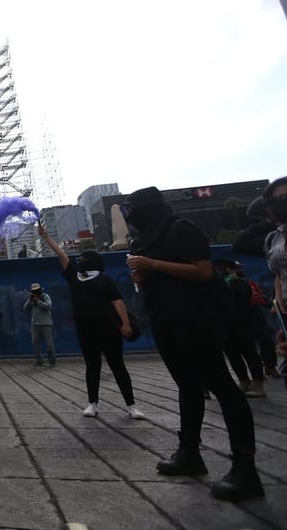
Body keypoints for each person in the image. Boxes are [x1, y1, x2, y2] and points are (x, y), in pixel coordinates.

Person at [123, 186, 263, 501]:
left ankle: (245, 467)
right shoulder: (145, 240)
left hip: (194, 318)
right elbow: (151, 276)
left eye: (133, 210)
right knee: (187, 385)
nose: (131, 218)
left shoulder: (181, 229)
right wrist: (142, 276)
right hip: (163, 319)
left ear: (149, 208)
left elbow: (202, 270)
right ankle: (189, 451)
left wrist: (152, 266)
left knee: (221, 385)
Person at [39, 224, 146, 419]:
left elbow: (117, 301)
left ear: (93, 262)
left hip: (109, 330)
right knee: (92, 366)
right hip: (85, 331)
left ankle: (131, 405)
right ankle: (92, 404)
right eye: (79, 259)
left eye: (83, 259)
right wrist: (47, 238)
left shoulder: (104, 280)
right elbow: (62, 255)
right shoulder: (74, 277)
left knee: (118, 366)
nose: (79, 261)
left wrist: (125, 323)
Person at [212, 259, 266, 398]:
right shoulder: (215, 284)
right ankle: (244, 380)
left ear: (231, 269)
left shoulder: (238, 282)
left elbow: (246, 303)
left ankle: (257, 382)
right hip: (226, 326)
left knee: (249, 353)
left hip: (241, 324)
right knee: (233, 355)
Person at [263, 176, 287, 334]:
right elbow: (279, 272)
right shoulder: (274, 238)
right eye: (273, 201)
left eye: (284, 198)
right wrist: (278, 299)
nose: (281, 204)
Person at [22, 283, 56, 366]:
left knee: (49, 344)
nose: (35, 292)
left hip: (46, 323)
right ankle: (39, 361)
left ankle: (52, 361)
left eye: (36, 290)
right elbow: (24, 309)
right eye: (33, 291)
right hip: (35, 324)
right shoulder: (32, 299)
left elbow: (48, 306)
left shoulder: (45, 296)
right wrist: (30, 301)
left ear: (40, 290)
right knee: (35, 342)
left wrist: (38, 301)